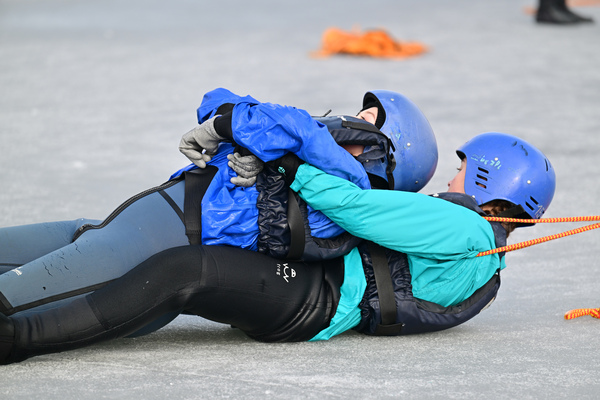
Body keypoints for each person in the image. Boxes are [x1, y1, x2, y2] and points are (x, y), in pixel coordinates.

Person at [0, 132, 556, 364]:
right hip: (318, 296)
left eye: (463, 168)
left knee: (185, 272)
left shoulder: (464, 229)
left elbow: (356, 210)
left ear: (488, 178)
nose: (452, 177)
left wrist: (289, 164)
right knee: (141, 253)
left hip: (311, 299)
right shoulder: (489, 265)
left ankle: (17, 335)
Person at [0, 89, 438, 326]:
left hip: (156, 241)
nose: (352, 118)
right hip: (135, 225)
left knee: (11, 299)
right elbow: (218, 96)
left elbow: (292, 124)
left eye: (368, 118)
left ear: (384, 153)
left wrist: (230, 126)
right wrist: (233, 126)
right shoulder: (295, 149)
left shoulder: (350, 180)